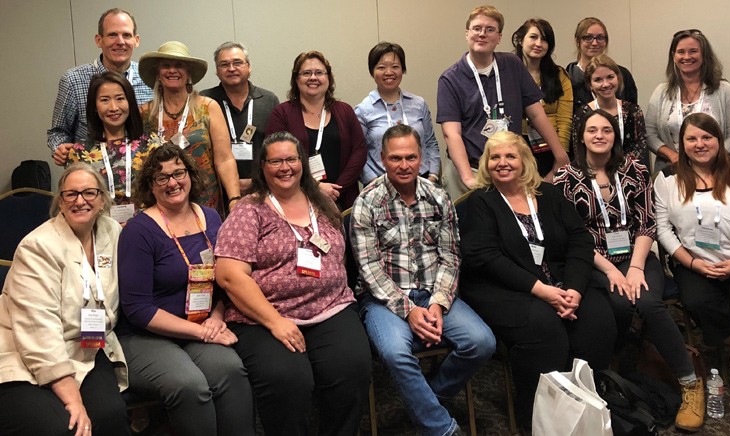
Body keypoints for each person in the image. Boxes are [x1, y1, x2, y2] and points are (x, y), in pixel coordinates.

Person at [554, 109, 703, 431]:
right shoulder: (566, 177)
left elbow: (647, 223)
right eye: (592, 130)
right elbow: (573, 236)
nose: (599, 135)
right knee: (620, 303)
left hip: (638, 254)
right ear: (581, 136)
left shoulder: (633, 168)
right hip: (594, 259)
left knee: (648, 302)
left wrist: (635, 267)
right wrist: (611, 271)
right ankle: (619, 365)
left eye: (606, 130)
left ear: (614, 136)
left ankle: (690, 382)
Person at [459, 131, 616, 434]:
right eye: (495, 157)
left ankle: (590, 412)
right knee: (545, 330)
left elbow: (580, 242)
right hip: (505, 287)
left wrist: (573, 290)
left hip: (562, 281)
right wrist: (544, 292)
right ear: (486, 164)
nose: (502, 163)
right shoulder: (482, 201)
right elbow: (486, 257)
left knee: (597, 320)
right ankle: (538, 419)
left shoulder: (549, 194)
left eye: (510, 156)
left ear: (524, 160)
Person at [215, 132, 371, 435]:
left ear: (302, 163)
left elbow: (338, 257)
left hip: (330, 307)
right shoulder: (250, 210)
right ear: (262, 167)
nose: (284, 167)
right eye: (275, 161)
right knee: (289, 380)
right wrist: (275, 322)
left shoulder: (323, 204)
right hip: (266, 316)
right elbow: (229, 275)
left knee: (352, 367)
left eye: (291, 159)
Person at [351, 124, 496, 436]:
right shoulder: (368, 202)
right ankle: (442, 428)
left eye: (411, 157)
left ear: (421, 159)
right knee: (395, 354)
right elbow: (368, 267)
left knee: (482, 342)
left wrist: (438, 303)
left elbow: (451, 256)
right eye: (396, 158)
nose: (404, 165)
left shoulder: (438, 197)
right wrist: (409, 310)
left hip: (434, 293)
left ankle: (424, 400)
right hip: (383, 300)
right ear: (382, 159)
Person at [117, 144, 255, 436]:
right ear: (150, 186)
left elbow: (224, 281)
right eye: (161, 177)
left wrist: (217, 318)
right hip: (147, 336)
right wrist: (201, 332)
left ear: (191, 175)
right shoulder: (137, 231)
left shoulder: (212, 218)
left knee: (231, 372)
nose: (173, 182)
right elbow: (138, 309)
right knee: (189, 385)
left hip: (203, 324)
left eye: (178, 173)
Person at [0, 163, 129, 435]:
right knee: (63, 426)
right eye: (70, 194)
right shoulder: (38, 246)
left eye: (89, 193)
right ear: (60, 202)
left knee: (110, 415)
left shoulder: (111, 232)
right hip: (24, 352)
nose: (80, 201)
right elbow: (38, 331)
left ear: (103, 199)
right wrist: (73, 400)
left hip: (85, 346)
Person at [655, 113, 730, 387]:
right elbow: (662, 229)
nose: (700, 144)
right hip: (694, 263)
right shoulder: (668, 180)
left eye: (707, 137)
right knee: (697, 302)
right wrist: (692, 264)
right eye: (691, 138)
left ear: (719, 140)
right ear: (681, 144)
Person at [437, 5, 568, 199]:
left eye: (490, 30)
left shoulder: (512, 65)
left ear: (499, 38)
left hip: (510, 169)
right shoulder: (451, 79)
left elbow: (536, 113)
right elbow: (451, 134)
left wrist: (560, 155)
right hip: (471, 169)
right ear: (467, 33)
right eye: (477, 28)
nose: (482, 34)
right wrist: (468, 179)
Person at [138, 41, 241, 216]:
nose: (172, 70)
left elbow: (224, 159)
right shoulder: (144, 113)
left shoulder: (207, 107)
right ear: (157, 74)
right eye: (166, 66)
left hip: (205, 203)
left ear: (188, 74)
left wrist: (234, 200)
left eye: (179, 65)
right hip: (161, 203)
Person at [49, 8, 153, 166]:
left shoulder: (149, 79)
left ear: (136, 40)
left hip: (140, 178)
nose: (120, 41)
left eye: (126, 35)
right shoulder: (73, 80)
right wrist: (60, 148)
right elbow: (58, 131)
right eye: (112, 35)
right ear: (99, 40)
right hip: (90, 177)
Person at [266, 51, 366, 210]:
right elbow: (276, 157)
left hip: (343, 197)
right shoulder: (282, 113)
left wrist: (336, 189)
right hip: (298, 199)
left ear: (328, 78)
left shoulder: (345, 111)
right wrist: (316, 186)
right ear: (296, 79)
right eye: (306, 73)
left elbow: (359, 150)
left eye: (319, 72)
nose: (313, 77)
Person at [646, 29, 730, 172]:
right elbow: (649, 134)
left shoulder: (724, 90)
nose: (687, 56)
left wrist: (713, 158)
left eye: (693, 51)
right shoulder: (661, 92)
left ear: (704, 55)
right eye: (681, 52)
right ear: (674, 56)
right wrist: (673, 157)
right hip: (673, 170)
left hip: (717, 170)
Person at [67, 71, 157, 224]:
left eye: (120, 98)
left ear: (130, 102)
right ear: (95, 106)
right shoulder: (80, 152)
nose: (113, 107)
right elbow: (75, 201)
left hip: (147, 229)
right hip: (99, 231)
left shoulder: (151, 144)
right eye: (104, 100)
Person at [355, 42, 440, 185]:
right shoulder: (363, 110)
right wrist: (374, 183)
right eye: (381, 67)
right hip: (381, 184)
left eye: (395, 67)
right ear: (372, 71)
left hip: (422, 180)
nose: (389, 72)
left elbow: (431, 143)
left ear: (403, 69)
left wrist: (433, 176)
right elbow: (358, 154)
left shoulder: (418, 104)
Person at [201, 42, 279, 194]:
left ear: (249, 67)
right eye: (224, 64)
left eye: (237, 62)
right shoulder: (205, 101)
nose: (231, 68)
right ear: (217, 71)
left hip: (263, 188)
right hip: (218, 190)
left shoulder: (269, 100)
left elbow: (277, 148)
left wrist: (258, 180)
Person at [512, 18, 574, 177]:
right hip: (517, 147)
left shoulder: (559, 75)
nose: (539, 43)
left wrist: (560, 159)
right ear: (520, 40)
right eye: (533, 37)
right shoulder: (508, 74)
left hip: (551, 149)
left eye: (544, 39)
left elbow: (565, 120)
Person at [572, 55, 648, 167]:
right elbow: (579, 150)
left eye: (610, 77)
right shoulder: (582, 114)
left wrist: (621, 169)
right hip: (594, 172)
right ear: (590, 84)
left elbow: (640, 147)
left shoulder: (633, 111)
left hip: (629, 171)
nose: (606, 84)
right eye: (598, 80)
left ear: (618, 78)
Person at [566, 17, 638, 112]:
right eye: (588, 37)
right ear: (578, 41)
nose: (595, 43)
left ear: (606, 41)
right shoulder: (568, 77)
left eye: (600, 38)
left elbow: (632, 113)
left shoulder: (623, 74)